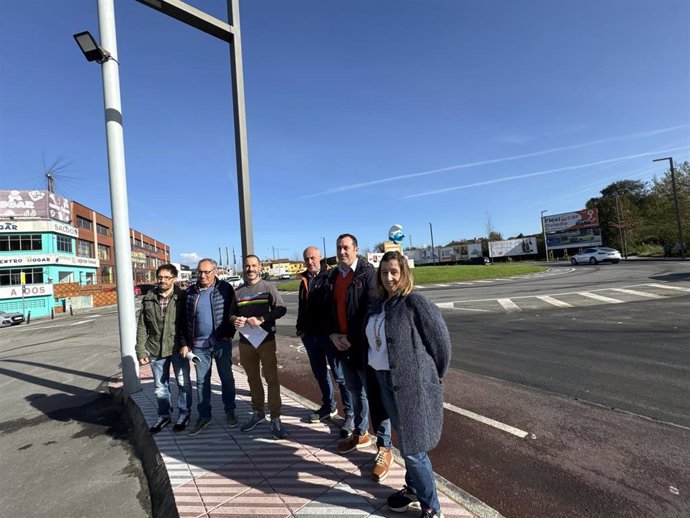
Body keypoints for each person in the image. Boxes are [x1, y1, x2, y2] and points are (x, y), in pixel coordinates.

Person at [366, 251, 451, 518]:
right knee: (405, 441)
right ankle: (414, 488)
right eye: (384, 272)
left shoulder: (415, 302)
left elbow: (441, 344)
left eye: (394, 271)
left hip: (412, 385)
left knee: (413, 450)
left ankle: (432, 508)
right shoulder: (379, 305)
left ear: (403, 273)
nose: (389, 277)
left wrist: (432, 378)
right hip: (384, 381)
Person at [327, 233, 393, 482]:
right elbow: (331, 308)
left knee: (377, 398)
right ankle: (361, 432)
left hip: (364, 347)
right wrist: (334, 334)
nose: (341, 252)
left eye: (346, 248)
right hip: (342, 346)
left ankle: (385, 447)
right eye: (338, 248)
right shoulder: (335, 275)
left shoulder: (367, 274)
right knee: (355, 392)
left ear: (356, 249)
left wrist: (352, 337)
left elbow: (371, 310)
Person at [296, 246, 353, 434]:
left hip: (329, 336)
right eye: (307, 259)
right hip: (310, 336)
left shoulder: (332, 276)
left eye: (313, 258)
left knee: (340, 376)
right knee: (320, 374)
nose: (310, 262)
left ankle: (350, 415)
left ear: (320, 258)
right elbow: (302, 306)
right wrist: (300, 329)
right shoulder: (304, 279)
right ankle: (328, 406)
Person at [233, 255, 288, 439]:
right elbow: (230, 314)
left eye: (254, 265)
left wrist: (263, 319)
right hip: (245, 343)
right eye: (247, 266)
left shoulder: (268, 287)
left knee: (271, 380)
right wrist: (236, 319)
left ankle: (276, 417)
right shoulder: (238, 291)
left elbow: (281, 309)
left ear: (259, 267)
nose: (250, 269)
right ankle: (258, 413)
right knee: (253, 380)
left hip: (266, 340)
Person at [183, 258, 238, 436]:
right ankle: (204, 415)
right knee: (201, 381)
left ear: (215, 271)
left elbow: (233, 312)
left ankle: (230, 410)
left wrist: (230, 334)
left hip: (221, 342)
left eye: (207, 272)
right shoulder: (190, 292)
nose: (203, 275)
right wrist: (185, 343)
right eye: (200, 272)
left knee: (226, 378)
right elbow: (183, 320)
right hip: (199, 345)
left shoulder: (225, 288)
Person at [136, 264, 192, 433]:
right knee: (160, 386)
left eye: (166, 277)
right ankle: (164, 415)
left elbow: (190, 324)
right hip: (155, 349)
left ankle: (184, 413)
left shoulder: (183, 297)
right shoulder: (149, 298)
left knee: (183, 383)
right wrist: (140, 349)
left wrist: (188, 345)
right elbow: (142, 326)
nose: (162, 280)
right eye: (160, 277)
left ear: (174, 279)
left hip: (178, 348)